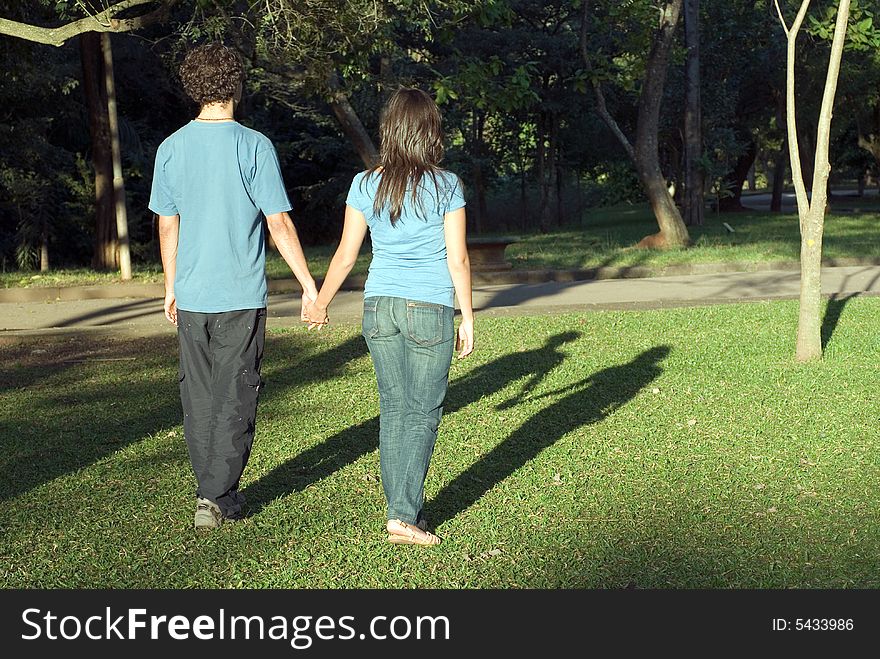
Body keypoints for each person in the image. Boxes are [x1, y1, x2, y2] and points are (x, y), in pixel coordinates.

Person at [149, 43, 318, 529]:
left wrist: (171, 285)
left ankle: (213, 491)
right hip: (240, 296)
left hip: (194, 294)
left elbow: (167, 225)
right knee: (236, 392)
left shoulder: (171, 147)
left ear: (193, 88)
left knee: (199, 394)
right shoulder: (254, 145)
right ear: (236, 87)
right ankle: (216, 494)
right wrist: (308, 284)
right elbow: (278, 222)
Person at [303, 87, 474, 546]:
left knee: (395, 408)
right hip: (429, 308)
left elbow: (345, 256)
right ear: (430, 131)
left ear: (390, 131)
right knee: (422, 412)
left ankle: (398, 508)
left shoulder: (364, 184)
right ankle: (403, 514)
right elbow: (457, 260)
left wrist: (320, 301)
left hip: (379, 309)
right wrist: (469, 317)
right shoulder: (447, 185)